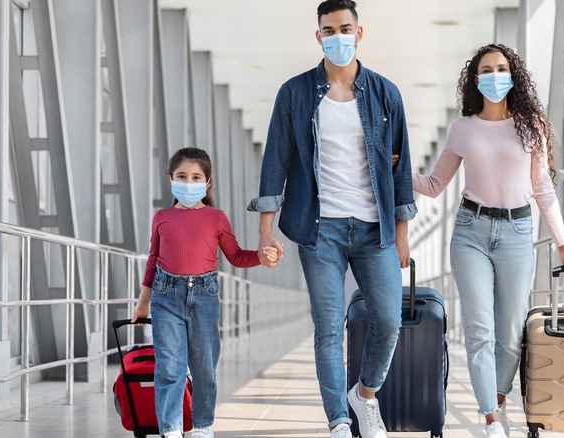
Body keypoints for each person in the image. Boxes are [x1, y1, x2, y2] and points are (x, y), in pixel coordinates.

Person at [246, 1, 417, 437]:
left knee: (390, 322)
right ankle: (338, 421)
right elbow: (275, 162)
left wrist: (402, 233)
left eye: (345, 28)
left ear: (359, 33)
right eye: (328, 30)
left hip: (374, 228)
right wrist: (266, 230)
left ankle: (364, 394)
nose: (337, 36)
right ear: (318, 36)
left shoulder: (385, 93)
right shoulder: (295, 93)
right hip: (319, 228)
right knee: (327, 328)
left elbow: (400, 170)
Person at [411, 44, 564, 438]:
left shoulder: (531, 125)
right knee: (480, 331)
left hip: (518, 233)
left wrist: (563, 243)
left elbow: (543, 190)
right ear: (476, 79)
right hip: (470, 231)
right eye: (486, 70)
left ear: (512, 74)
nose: (494, 75)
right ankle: (491, 418)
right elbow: (435, 185)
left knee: (509, 336)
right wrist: (397, 172)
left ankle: (498, 401)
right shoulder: (463, 128)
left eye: (501, 68)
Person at [131, 147, 278, 438]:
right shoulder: (161, 218)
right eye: (181, 176)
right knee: (170, 368)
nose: (188, 182)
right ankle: (171, 429)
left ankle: (201, 426)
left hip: (204, 297)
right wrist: (142, 302)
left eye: (196, 177)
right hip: (165, 297)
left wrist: (262, 257)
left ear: (207, 182)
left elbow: (235, 256)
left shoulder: (216, 218)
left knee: (204, 368)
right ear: (170, 179)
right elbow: (152, 260)